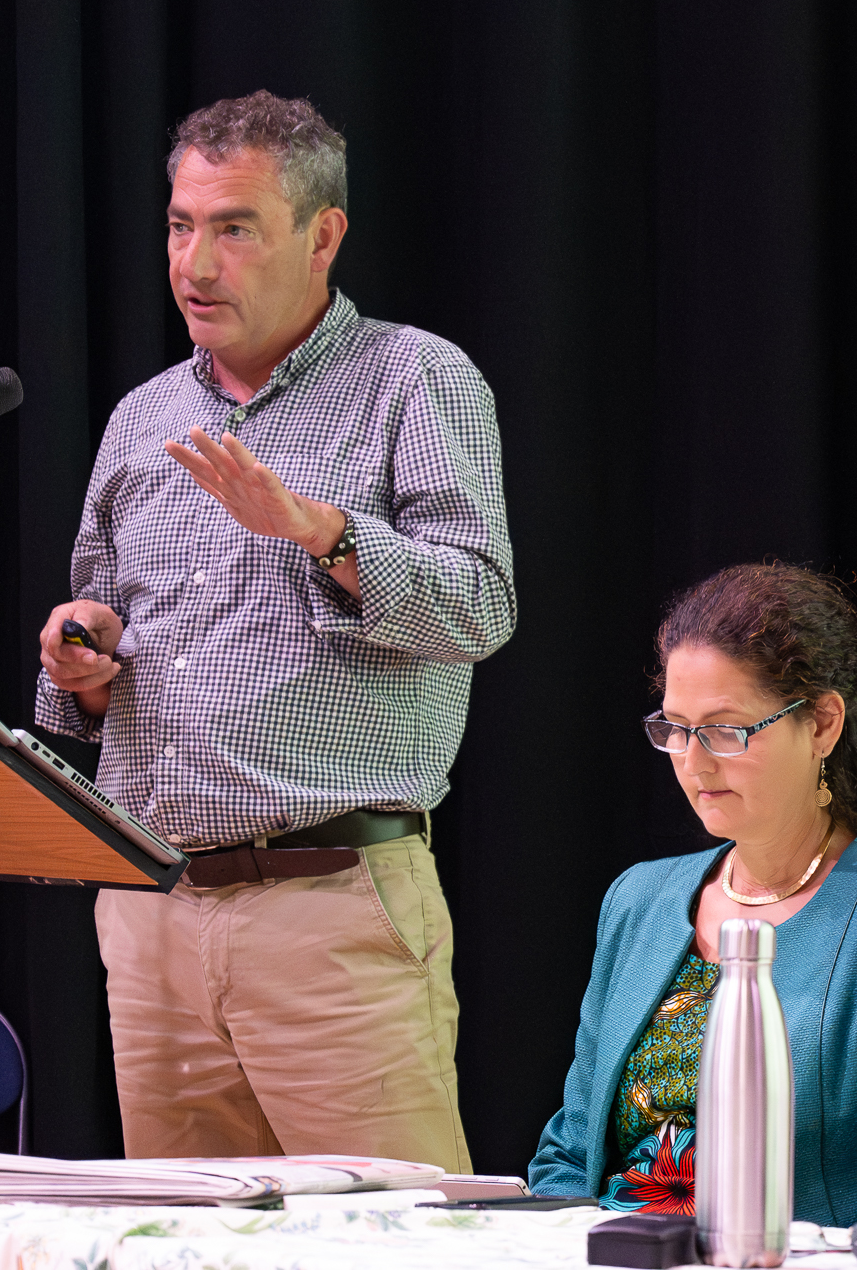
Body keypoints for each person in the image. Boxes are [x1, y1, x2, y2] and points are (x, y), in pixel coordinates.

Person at [34, 91, 514, 1170]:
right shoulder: (142, 418)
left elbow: (480, 607)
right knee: (180, 1241)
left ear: (322, 235)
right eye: (179, 224)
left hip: (328, 910)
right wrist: (80, 654)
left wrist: (316, 529)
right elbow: (99, 653)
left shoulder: (412, 379)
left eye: (234, 226)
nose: (195, 261)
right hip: (151, 912)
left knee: (390, 1248)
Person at [529, 564, 857, 1238]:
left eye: (726, 729)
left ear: (823, 724)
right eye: (677, 728)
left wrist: (836, 1257)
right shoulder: (639, 900)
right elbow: (568, 1156)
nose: (694, 760)